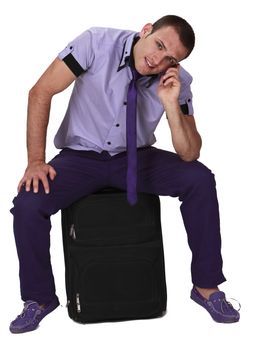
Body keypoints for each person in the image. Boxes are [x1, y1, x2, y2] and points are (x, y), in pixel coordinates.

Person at [9, 15, 240, 333]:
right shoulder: (95, 43)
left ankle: (206, 287)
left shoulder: (177, 81)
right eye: (158, 45)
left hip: (136, 158)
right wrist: (35, 160)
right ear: (146, 30)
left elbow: (189, 152)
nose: (158, 60)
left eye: (170, 58)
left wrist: (171, 105)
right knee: (28, 204)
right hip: (81, 158)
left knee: (199, 179)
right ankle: (39, 299)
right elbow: (41, 92)